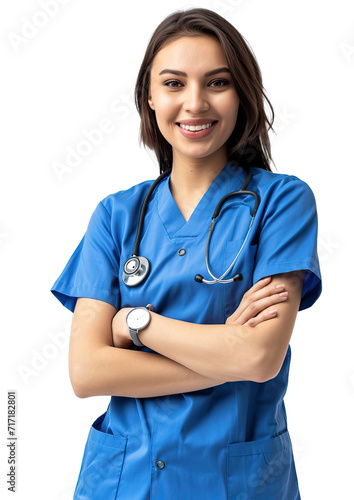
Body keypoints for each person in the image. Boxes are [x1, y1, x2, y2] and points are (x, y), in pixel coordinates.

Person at [51, 7, 321, 499]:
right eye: (174, 83)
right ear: (149, 97)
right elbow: (87, 371)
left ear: (241, 93)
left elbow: (261, 356)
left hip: (234, 482)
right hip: (124, 481)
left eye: (216, 82)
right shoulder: (116, 215)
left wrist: (135, 324)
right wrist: (226, 356)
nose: (194, 103)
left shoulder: (283, 202)